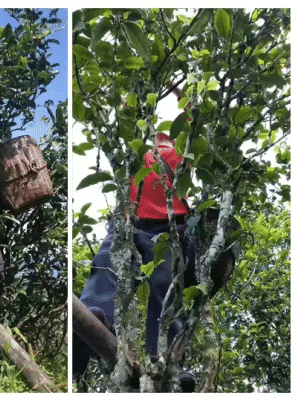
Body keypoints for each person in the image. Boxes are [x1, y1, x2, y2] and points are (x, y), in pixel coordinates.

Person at [73, 133, 198, 391]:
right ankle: (91, 324)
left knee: (164, 286)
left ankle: (169, 361)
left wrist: (178, 93)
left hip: (168, 225)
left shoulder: (182, 146)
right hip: (127, 221)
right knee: (105, 264)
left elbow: (196, 114)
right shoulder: (135, 149)